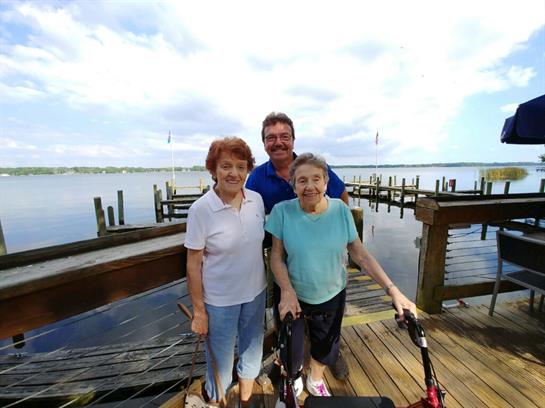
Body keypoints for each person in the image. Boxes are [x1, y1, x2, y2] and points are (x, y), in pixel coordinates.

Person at [265, 153, 416, 398]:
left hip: (331, 294)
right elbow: (276, 256)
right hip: (294, 294)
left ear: (326, 182)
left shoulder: (340, 211)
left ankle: (315, 380)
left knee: (326, 347)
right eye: (302, 181)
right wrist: (287, 291)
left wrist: (393, 290)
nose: (310, 186)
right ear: (293, 186)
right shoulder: (282, 212)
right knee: (289, 350)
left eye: (317, 179)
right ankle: (293, 378)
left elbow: (361, 255)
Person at [246, 111, 351, 382]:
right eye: (271, 138)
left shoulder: (310, 167)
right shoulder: (257, 178)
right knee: (285, 312)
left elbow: (340, 194)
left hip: (322, 258)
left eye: (284, 136)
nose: (278, 142)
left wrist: (338, 231)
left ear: (293, 139)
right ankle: (285, 357)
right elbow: (244, 207)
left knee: (327, 317)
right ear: (264, 143)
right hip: (283, 253)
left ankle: (329, 352)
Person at [185, 137, 267, 407]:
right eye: (226, 166)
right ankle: (217, 403)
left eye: (241, 166)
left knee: (252, 356)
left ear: (248, 170)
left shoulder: (256, 200)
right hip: (219, 302)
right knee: (220, 367)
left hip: (255, 294)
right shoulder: (201, 210)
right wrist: (199, 311)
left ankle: (245, 402)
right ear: (214, 170)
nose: (234, 173)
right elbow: (193, 264)